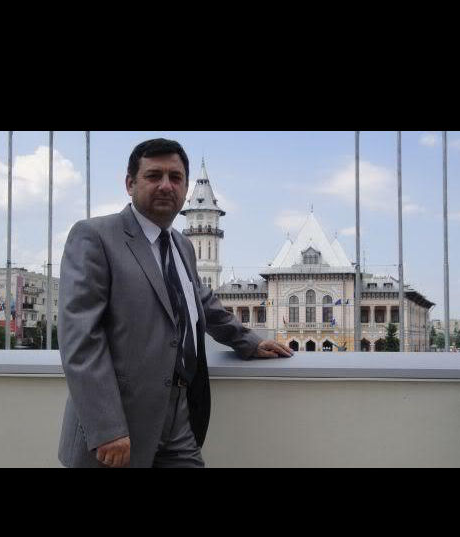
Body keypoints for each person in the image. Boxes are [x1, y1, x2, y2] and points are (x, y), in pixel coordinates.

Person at [58, 138, 293, 468]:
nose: (166, 185)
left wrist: (249, 341)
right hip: (120, 420)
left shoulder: (182, 245)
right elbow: (80, 338)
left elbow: (201, 303)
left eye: (175, 177)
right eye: (154, 176)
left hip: (179, 416)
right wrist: (107, 427)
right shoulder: (95, 236)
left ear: (184, 187)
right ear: (130, 183)